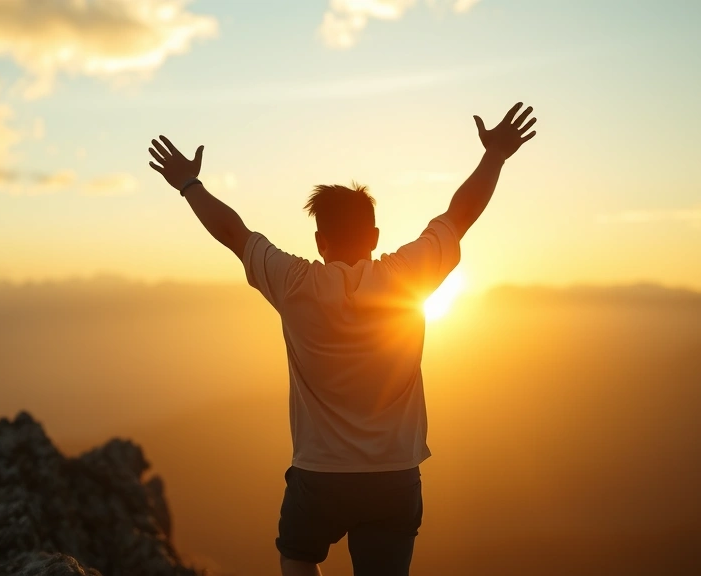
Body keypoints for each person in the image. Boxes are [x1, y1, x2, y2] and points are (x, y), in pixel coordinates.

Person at [147, 102, 537, 576]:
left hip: (319, 474)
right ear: (374, 236)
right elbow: (460, 215)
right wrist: (495, 155)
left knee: (297, 556)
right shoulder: (407, 278)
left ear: (320, 241)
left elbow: (233, 232)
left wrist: (189, 184)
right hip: (395, 474)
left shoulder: (293, 283)